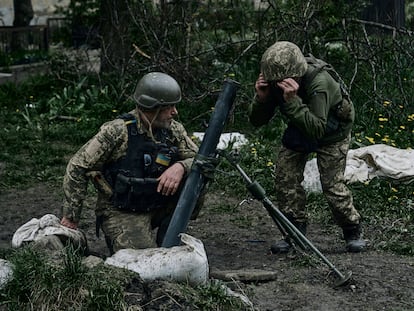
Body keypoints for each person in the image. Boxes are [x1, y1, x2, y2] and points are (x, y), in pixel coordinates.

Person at [60, 72, 200, 255]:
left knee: (199, 177)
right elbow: (78, 166)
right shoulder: (117, 132)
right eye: (169, 107)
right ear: (152, 107)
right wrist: (71, 217)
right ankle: (125, 237)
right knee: (145, 264)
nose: (175, 112)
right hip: (123, 210)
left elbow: (201, 160)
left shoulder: (173, 130)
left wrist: (181, 167)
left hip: (158, 204)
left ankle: (169, 233)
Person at [249, 41, 366, 253]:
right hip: (301, 124)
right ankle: (294, 232)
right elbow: (256, 121)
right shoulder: (276, 83)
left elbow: (317, 129)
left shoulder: (319, 83)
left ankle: (352, 229)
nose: (277, 85)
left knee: (332, 185)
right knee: (286, 178)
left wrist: (292, 101)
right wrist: (262, 99)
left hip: (331, 133)